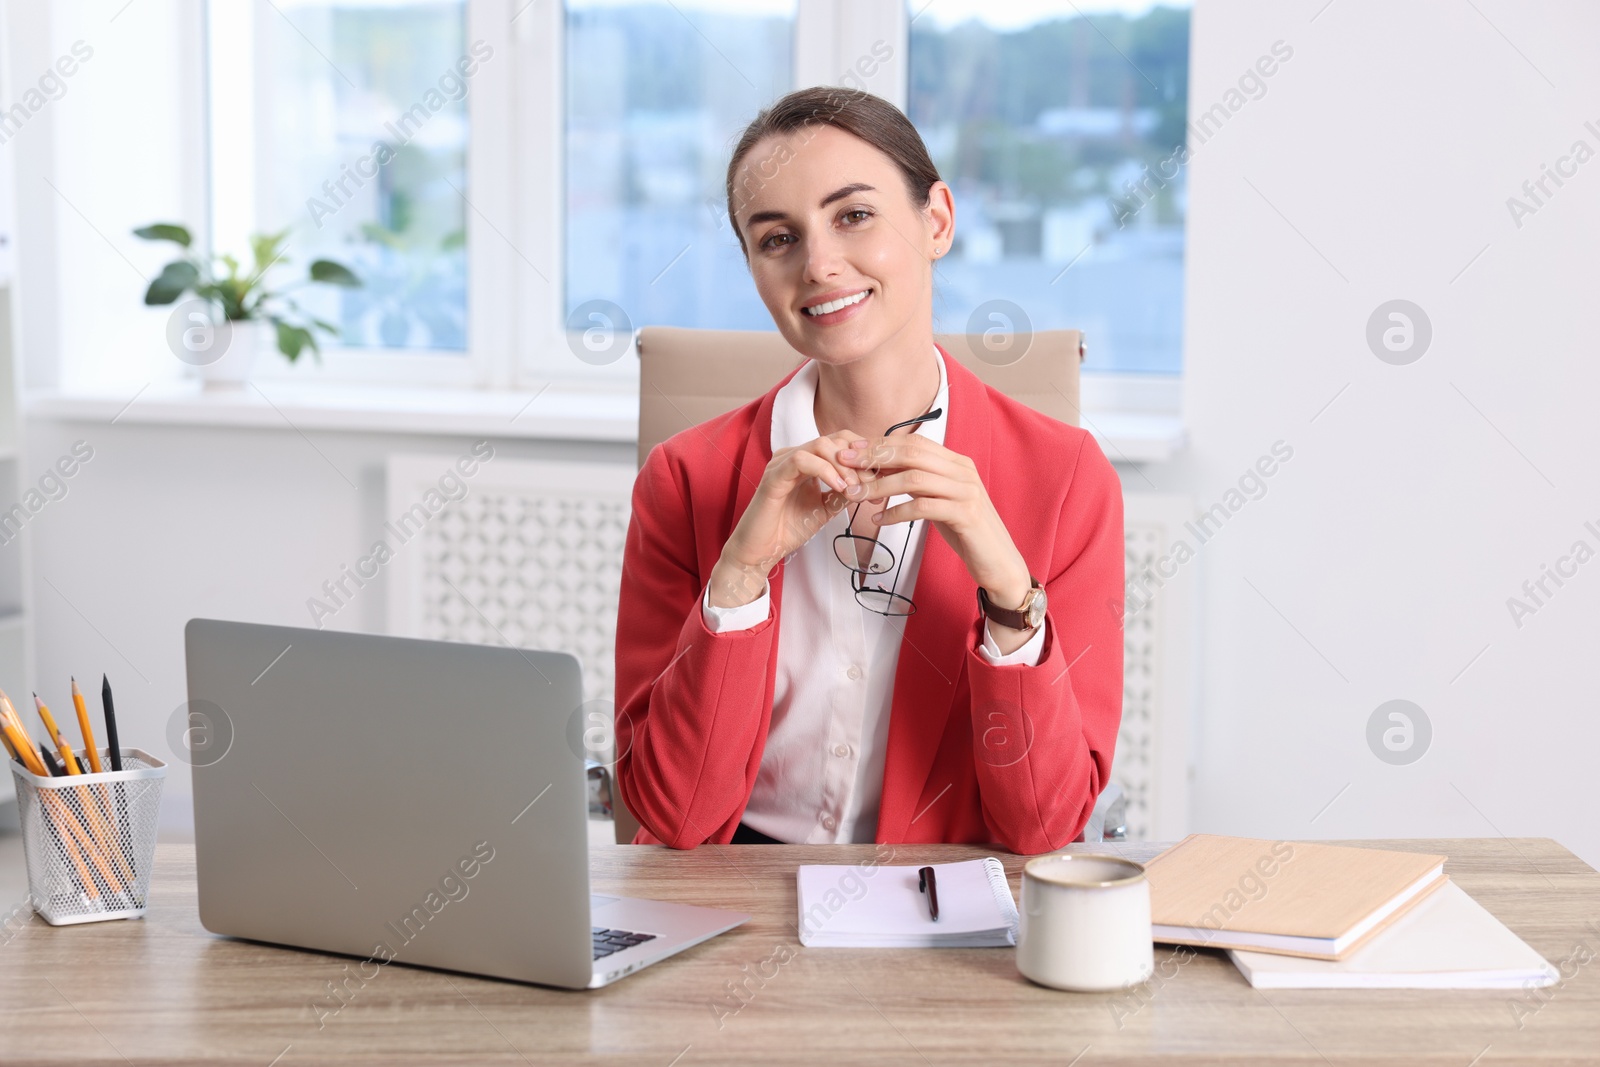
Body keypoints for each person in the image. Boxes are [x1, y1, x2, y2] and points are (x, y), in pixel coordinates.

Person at [613, 86, 1124, 854]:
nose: (819, 264)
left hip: (941, 905)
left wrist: (1010, 595)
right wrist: (740, 577)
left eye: (853, 215)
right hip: (737, 904)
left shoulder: (1067, 477)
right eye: (777, 238)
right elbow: (676, 817)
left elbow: (1043, 825)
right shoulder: (683, 480)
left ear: (937, 220)